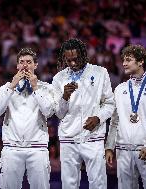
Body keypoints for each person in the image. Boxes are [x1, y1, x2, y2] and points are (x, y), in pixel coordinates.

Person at [52, 38, 115, 189]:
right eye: (69, 60)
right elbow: (59, 113)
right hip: (69, 137)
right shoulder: (58, 78)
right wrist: (64, 98)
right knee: (69, 184)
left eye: (76, 59)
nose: (73, 63)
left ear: (84, 55)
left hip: (92, 136)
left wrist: (98, 118)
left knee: (98, 183)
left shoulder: (100, 73)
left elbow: (110, 103)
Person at [105, 44, 146, 189]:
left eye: (128, 60)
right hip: (123, 151)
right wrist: (109, 146)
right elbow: (115, 121)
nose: (124, 63)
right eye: (123, 60)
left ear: (141, 62)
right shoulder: (120, 89)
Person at [0, 48, 55, 189]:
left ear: (35, 65)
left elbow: (48, 112)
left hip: (37, 149)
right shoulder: (6, 88)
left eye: (29, 62)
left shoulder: (46, 88)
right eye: (21, 62)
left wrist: (35, 87)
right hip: (11, 148)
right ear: (17, 66)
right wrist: (12, 86)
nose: (25, 65)